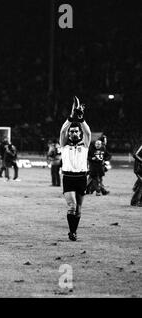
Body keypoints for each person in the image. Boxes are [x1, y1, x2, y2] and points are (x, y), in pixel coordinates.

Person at [59, 96, 92, 242]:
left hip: (81, 178)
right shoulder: (64, 145)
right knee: (71, 206)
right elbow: (62, 132)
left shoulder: (85, 145)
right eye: (71, 132)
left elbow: (88, 133)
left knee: (79, 209)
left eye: (75, 131)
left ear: (79, 133)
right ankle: (71, 232)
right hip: (68, 178)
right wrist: (71, 118)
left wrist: (81, 119)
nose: (73, 133)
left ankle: (74, 231)